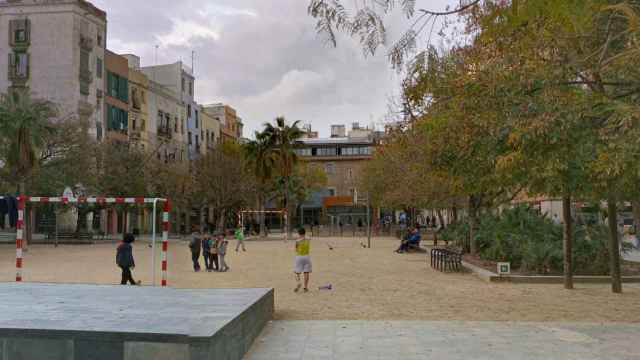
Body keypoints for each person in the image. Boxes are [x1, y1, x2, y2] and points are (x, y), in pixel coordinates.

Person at [293, 228, 312, 293]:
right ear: (305, 233)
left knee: (296, 272)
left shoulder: (297, 241)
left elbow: (295, 249)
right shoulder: (308, 239)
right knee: (306, 272)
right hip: (307, 257)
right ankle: (305, 287)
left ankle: (298, 282)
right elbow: (309, 237)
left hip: (299, 257)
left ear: (299, 233)